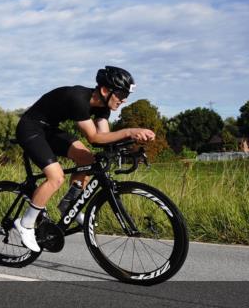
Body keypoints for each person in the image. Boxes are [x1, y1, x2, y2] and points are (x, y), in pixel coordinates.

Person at [12, 66, 155, 252]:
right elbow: (94, 138)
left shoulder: (104, 108)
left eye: (126, 94)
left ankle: (68, 204)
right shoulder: (78, 99)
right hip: (30, 128)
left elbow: (104, 139)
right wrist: (130, 130)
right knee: (56, 177)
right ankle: (26, 223)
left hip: (49, 130)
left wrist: (130, 143)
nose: (124, 99)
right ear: (105, 90)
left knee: (87, 159)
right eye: (120, 94)